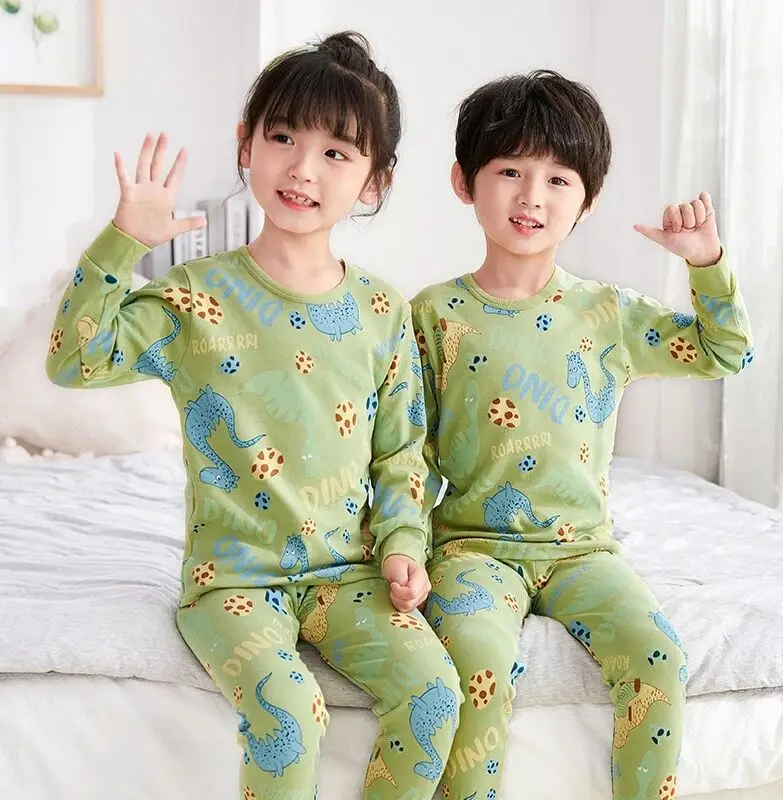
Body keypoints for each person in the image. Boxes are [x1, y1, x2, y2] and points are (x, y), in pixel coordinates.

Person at [46, 31, 461, 800]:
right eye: (283, 138)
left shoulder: (382, 311)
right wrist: (122, 243)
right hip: (230, 582)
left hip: (347, 576)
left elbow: (402, 455)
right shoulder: (194, 297)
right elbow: (74, 358)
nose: (303, 168)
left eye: (337, 152)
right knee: (290, 716)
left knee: (435, 692)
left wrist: (405, 544)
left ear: (375, 181)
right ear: (247, 143)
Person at [411, 69, 753, 800]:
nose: (532, 196)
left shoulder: (608, 314)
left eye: (558, 179)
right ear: (464, 182)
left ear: (587, 201)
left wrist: (706, 265)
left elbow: (725, 352)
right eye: (510, 171)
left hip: (584, 552)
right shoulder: (434, 314)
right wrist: (400, 548)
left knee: (659, 659)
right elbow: (406, 450)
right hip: (472, 549)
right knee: (476, 668)